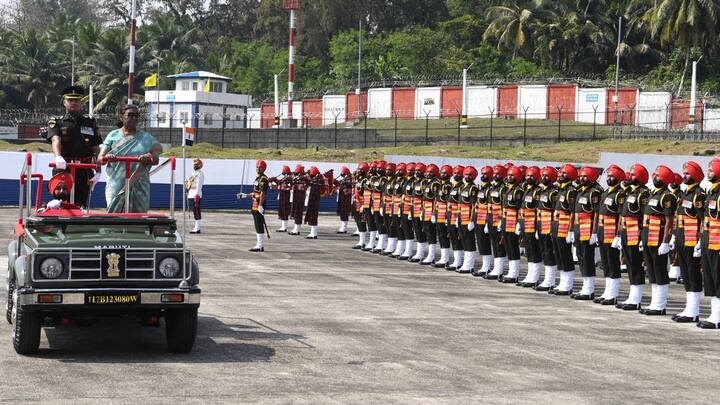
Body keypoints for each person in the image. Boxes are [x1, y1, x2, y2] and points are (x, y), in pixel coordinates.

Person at [98, 105, 162, 213]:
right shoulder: (113, 135)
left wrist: (150, 157)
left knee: (138, 220)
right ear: (122, 117)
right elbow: (100, 159)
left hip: (139, 184)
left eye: (136, 116)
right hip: (116, 184)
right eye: (130, 115)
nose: (134, 118)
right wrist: (107, 157)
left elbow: (156, 159)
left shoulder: (146, 138)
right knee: (114, 217)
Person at [46, 86, 103, 208]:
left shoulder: (90, 122)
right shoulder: (57, 122)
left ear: (81, 103)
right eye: (70, 100)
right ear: (64, 102)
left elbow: (96, 148)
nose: (73, 103)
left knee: (80, 204)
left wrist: (98, 170)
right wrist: (58, 157)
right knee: (60, 201)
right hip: (63, 167)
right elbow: (55, 139)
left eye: (76, 100)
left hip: (84, 170)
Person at [639, 165, 677, 316]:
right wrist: (643, 238)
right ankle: (654, 303)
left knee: (660, 270)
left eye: (658, 176)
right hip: (648, 237)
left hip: (658, 237)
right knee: (652, 270)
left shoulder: (667, 196)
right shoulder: (652, 194)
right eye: (655, 175)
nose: (654, 178)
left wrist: (666, 241)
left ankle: (660, 305)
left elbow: (669, 220)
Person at [672, 161, 705, 322]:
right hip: (681, 239)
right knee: (685, 275)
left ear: (696, 175)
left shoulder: (698, 194)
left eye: (688, 173)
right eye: (684, 173)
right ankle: (689, 308)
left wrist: (700, 240)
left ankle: (694, 311)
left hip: (692, 241)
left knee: (693, 275)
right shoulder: (684, 193)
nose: (684, 176)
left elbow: (703, 219)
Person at [615, 164, 650, 310]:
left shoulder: (643, 194)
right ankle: (632, 296)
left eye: (633, 175)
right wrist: (618, 235)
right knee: (629, 264)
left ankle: (636, 299)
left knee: (636, 265)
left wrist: (642, 237)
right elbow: (622, 215)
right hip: (625, 232)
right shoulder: (629, 192)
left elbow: (644, 217)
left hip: (635, 233)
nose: (629, 177)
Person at [594, 165, 626, 305]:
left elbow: (621, 216)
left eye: (612, 176)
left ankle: (613, 294)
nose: (609, 178)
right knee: (606, 263)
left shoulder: (620, 194)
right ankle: (607, 291)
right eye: (608, 176)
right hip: (602, 231)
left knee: (613, 263)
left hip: (612, 233)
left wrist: (618, 235)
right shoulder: (606, 192)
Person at [571, 166, 603, 300]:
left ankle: (589, 289)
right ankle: (585, 286)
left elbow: (596, 214)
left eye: (584, 176)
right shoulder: (580, 191)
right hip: (579, 228)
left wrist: (594, 232)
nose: (581, 178)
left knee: (587, 258)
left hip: (588, 229)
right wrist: (572, 230)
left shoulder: (594, 192)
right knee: (580, 258)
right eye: (581, 176)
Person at [548, 164, 578, 296]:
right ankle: (562, 282)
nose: (560, 175)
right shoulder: (560, 189)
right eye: (560, 173)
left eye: (563, 174)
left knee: (565, 255)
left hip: (564, 227)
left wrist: (571, 230)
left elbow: (572, 212)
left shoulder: (571, 191)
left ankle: (568, 284)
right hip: (556, 225)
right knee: (558, 254)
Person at [698, 158, 720, 328]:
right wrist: (701, 240)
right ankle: (714, 315)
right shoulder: (712, 192)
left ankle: (717, 317)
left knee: (718, 279)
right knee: (711, 280)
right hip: (708, 241)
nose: (708, 173)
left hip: (717, 244)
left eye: (711, 170)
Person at [517, 166, 543, 287]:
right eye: (527, 175)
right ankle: (530, 275)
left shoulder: (538, 191)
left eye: (531, 176)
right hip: (524, 224)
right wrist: (519, 222)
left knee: (534, 251)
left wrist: (538, 227)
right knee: (528, 251)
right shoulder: (527, 189)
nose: (528, 178)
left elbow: (538, 210)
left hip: (532, 225)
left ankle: (534, 277)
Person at [534, 166, 559, 291]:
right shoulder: (542, 191)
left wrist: (551, 228)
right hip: (540, 225)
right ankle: (546, 279)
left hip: (548, 226)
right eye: (543, 175)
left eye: (547, 176)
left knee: (549, 252)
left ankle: (550, 280)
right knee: (544, 251)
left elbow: (555, 211)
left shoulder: (553, 193)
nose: (544, 178)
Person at [499, 165, 525, 283]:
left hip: (513, 222)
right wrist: (501, 221)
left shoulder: (518, 191)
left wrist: (519, 223)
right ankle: (511, 271)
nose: (509, 177)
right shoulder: (507, 189)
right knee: (508, 247)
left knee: (513, 247)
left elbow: (520, 208)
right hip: (505, 221)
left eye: (512, 175)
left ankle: (514, 273)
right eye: (508, 175)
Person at [238, 160, 270, 251]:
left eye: (259, 167)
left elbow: (263, 193)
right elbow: (255, 192)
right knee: (256, 224)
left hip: (260, 203)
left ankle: (260, 246)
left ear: (263, 168)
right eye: (256, 167)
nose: (257, 168)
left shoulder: (264, 179)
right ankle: (258, 244)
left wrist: (260, 206)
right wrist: (245, 195)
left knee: (259, 224)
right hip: (254, 203)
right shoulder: (257, 178)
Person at [485, 165, 508, 279]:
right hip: (490, 220)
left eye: (497, 174)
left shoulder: (503, 189)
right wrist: (486, 221)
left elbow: (504, 206)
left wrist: (501, 222)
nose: (495, 176)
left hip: (498, 221)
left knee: (499, 246)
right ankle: (495, 268)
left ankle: (499, 270)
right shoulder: (492, 188)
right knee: (494, 244)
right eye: (494, 173)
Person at [457, 166, 479, 273]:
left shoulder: (473, 188)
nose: (467, 176)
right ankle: (465, 263)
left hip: (468, 219)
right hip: (461, 218)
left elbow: (474, 206)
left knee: (469, 241)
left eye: (469, 175)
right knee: (464, 241)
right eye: (466, 174)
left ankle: (469, 265)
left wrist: (472, 220)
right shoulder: (462, 187)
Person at [473, 166, 494, 277]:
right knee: (481, 243)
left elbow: (490, 207)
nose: (483, 176)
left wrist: (487, 222)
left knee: (486, 244)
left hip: (486, 219)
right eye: (482, 173)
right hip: (479, 219)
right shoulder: (481, 188)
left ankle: (487, 267)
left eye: (485, 174)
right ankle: (484, 266)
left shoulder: (490, 189)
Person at [433, 165, 454, 268]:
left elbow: (448, 202)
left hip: (444, 214)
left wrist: (447, 216)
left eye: (445, 173)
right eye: (442, 173)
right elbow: (436, 200)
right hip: (438, 213)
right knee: (440, 235)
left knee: (445, 236)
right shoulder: (440, 185)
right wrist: (434, 213)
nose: (442, 174)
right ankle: (443, 257)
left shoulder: (448, 186)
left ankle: (445, 259)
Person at [446, 165, 465, 270]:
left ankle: (459, 261)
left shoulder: (461, 187)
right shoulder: (455, 186)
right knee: (453, 238)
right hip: (451, 215)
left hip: (458, 216)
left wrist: (458, 217)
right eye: (455, 173)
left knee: (459, 239)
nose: (456, 175)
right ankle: (456, 261)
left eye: (458, 173)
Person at [420, 164, 440, 265]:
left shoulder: (435, 184)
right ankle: (428, 255)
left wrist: (434, 214)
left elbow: (436, 199)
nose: (428, 174)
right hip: (425, 212)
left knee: (431, 234)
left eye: (430, 172)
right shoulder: (427, 183)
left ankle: (431, 256)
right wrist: (422, 211)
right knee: (427, 232)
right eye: (427, 172)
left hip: (431, 212)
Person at [270, 165, 293, 232]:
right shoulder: (286, 177)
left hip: (286, 195)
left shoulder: (288, 177)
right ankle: (283, 226)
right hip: (283, 195)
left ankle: (284, 227)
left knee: (284, 210)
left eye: (283, 171)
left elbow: (280, 183)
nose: (282, 172)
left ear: (286, 171)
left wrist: (274, 179)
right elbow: (280, 183)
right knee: (282, 210)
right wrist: (274, 180)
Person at [304, 166, 325, 239]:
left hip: (315, 200)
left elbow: (315, 184)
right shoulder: (316, 179)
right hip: (312, 199)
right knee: (312, 216)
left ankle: (314, 233)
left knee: (313, 216)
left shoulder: (318, 179)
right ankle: (312, 233)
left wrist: (310, 179)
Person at [352, 163, 369, 248]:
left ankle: (363, 242)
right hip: (356, 202)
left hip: (362, 204)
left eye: (361, 169)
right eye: (358, 169)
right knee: (358, 222)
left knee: (362, 222)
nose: (359, 171)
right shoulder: (359, 179)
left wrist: (364, 204)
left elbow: (366, 194)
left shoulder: (366, 180)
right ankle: (361, 241)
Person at [186, 158, 205, 234]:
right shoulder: (194, 173)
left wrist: (196, 194)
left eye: (196, 164)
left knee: (196, 211)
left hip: (195, 194)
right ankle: (196, 227)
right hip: (191, 193)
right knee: (194, 211)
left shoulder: (200, 173)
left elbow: (199, 184)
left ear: (199, 165)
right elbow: (190, 183)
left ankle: (197, 227)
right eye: (194, 164)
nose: (194, 165)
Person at [290, 164, 309, 235]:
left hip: (300, 197)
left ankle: (297, 229)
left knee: (298, 213)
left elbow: (304, 184)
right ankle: (295, 228)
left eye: (297, 170)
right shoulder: (297, 178)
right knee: (295, 212)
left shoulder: (303, 178)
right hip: (296, 197)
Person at [334, 166, 354, 234]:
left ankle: (344, 227)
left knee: (344, 212)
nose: (341, 173)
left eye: (342, 172)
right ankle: (343, 226)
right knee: (342, 212)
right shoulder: (344, 179)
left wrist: (339, 183)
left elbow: (346, 185)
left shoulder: (349, 178)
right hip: (342, 198)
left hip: (346, 199)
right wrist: (335, 181)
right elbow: (340, 184)